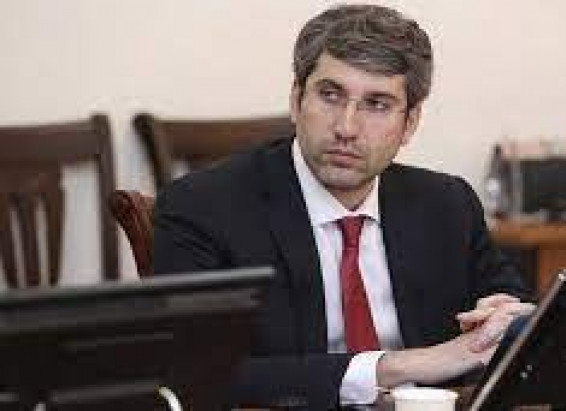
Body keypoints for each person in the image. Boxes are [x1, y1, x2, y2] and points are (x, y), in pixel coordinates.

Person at [153, 4, 534, 409]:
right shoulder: (202, 208)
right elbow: (197, 374)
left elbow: (513, 311)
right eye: (330, 95)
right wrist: (399, 366)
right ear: (297, 99)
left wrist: (504, 320)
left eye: (377, 104)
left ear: (410, 123)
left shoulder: (446, 204)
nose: (346, 128)